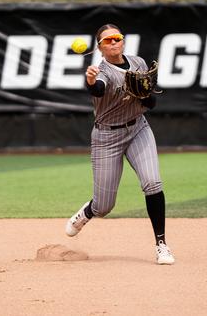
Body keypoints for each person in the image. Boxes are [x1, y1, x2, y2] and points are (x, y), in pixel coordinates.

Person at [65, 24, 175, 265]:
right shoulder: (101, 71)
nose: (114, 42)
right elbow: (99, 89)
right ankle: (88, 212)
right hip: (107, 138)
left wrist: (145, 95)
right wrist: (91, 81)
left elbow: (152, 104)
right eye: (108, 40)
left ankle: (162, 245)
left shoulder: (138, 64)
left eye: (117, 38)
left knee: (153, 183)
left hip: (138, 129)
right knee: (105, 206)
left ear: (123, 41)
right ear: (100, 48)